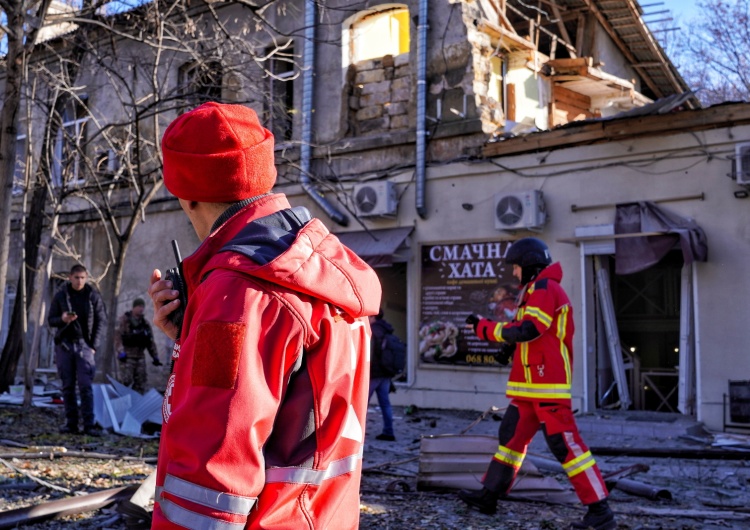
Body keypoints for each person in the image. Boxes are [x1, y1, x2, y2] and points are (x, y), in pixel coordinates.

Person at [148, 102, 381, 529]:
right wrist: (190, 335)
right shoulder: (316, 270)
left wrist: (209, 321)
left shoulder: (238, 293)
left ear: (186, 193)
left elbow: (210, 477)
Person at [460, 237, 616, 530]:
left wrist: (484, 328)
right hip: (528, 386)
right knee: (511, 439)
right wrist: (507, 348)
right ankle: (489, 495)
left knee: (565, 446)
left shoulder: (546, 289)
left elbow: (529, 329)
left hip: (547, 385)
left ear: (530, 265)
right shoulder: (533, 291)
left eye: (517, 267)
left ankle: (600, 512)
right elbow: (528, 331)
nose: (514, 273)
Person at [48, 264, 107, 436]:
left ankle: (89, 424)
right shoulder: (61, 296)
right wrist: (63, 319)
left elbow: (101, 320)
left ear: (86, 277)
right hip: (65, 345)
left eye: (82, 278)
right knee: (67, 386)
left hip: (85, 346)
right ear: (70, 277)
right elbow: (51, 319)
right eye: (76, 277)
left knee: (85, 386)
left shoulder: (92, 296)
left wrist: (93, 346)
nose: (79, 281)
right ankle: (71, 424)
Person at [114, 297, 162, 393]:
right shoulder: (124, 320)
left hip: (140, 357)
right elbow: (117, 337)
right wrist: (121, 351)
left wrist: (155, 356)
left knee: (141, 382)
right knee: (126, 381)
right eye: (139, 306)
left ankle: (137, 404)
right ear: (134, 307)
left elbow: (150, 341)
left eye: (142, 307)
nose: (141, 309)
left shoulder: (145, 324)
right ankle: (123, 405)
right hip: (127, 357)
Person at [368, 309, 396, 442]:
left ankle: (357, 435)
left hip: (374, 373)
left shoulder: (373, 330)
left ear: (373, 315)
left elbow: (371, 354)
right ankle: (389, 431)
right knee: (385, 403)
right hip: (386, 373)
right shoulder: (387, 329)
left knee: (362, 404)